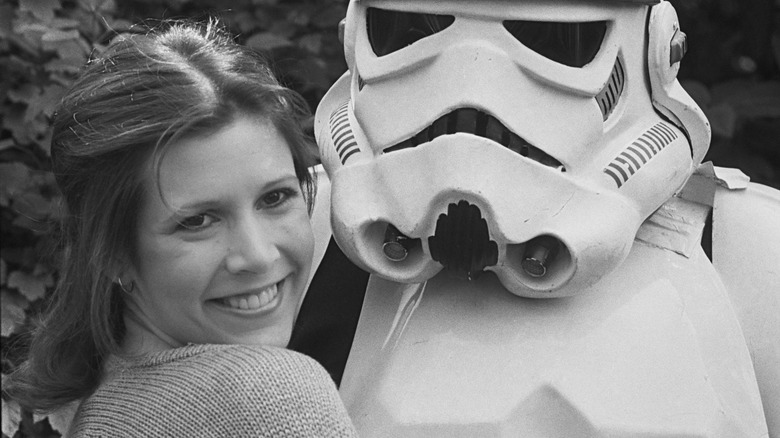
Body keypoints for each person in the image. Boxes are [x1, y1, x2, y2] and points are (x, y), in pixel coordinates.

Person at [2, 20, 357, 437]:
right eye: (197, 221)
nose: (258, 255)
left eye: (275, 198)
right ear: (111, 251)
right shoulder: (267, 394)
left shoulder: (103, 404)